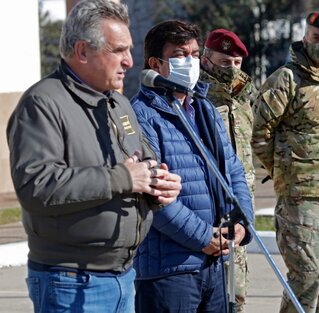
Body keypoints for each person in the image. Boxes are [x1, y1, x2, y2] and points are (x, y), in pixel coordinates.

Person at [6, 0, 182, 312]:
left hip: (124, 277)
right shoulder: (42, 104)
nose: (129, 61)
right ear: (83, 51)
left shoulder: (117, 103)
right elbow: (37, 187)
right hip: (71, 281)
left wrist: (158, 185)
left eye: (129, 50)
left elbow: (143, 161)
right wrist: (123, 178)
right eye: (119, 50)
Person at [130, 20, 254, 312]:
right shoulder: (141, 116)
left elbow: (232, 171)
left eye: (195, 54)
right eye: (179, 55)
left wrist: (241, 223)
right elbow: (153, 197)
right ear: (155, 64)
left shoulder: (204, 108)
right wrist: (202, 238)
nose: (191, 62)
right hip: (170, 269)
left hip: (214, 264)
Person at [251, 11, 319, 313]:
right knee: (308, 278)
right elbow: (261, 133)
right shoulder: (286, 79)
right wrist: (285, 171)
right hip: (300, 198)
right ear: (304, 38)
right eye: (315, 37)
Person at [199, 28, 255, 313]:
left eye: (236, 63)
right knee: (212, 298)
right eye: (225, 62)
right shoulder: (196, 100)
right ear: (206, 60)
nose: (232, 69)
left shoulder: (244, 100)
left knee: (238, 295)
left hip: (239, 214)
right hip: (208, 216)